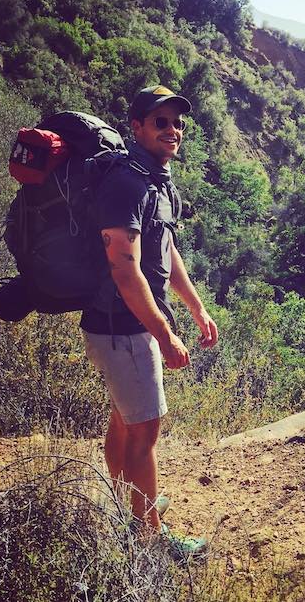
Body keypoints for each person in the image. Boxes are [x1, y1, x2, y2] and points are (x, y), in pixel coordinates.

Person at [80, 85, 218, 551]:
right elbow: (123, 267)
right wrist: (164, 333)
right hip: (124, 328)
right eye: (160, 121)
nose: (172, 130)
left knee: (126, 422)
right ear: (136, 127)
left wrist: (195, 306)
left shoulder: (157, 181)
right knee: (145, 432)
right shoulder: (126, 183)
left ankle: (123, 517)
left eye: (177, 123)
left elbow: (165, 250)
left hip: (125, 327)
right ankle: (151, 543)